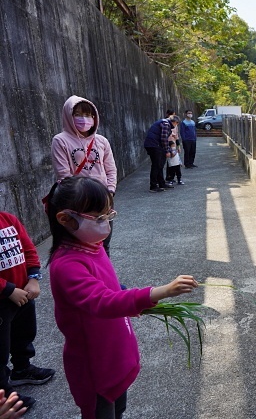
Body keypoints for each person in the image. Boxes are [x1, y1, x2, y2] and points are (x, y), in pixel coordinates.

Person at [44, 176, 199, 419]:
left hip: (112, 351)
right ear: (65, 219)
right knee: (102, 412)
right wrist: (161, 291)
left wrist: (130, 296)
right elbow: (103, 301)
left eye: (108, 215)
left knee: (119, 409)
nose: (106, 224)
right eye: (98, 218)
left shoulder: (92, 246)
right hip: (95, 365)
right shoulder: (66, 266)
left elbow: (112, 288)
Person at [0, 211, 56, 412]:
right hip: (5, 297)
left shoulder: (7, 218)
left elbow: (28, 248)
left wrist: (33, 278)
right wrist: (7, 290)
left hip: (22, 290)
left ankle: (22, 368)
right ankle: (5, 396)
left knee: (23, 333)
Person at [51, 95, 118, 256]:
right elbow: (64, 175)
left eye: (88, 115)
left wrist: (110, 191)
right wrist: (79, 200)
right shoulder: (61, 140)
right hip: (78, 203)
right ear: (68, 116)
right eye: (78, 114)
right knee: (79, 244)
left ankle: (103, 276)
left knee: (103, 242)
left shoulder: (101, 141)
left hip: (103, 199)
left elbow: (111, 169)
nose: (84, 119)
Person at [144, 115, 179, 193]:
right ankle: (153, 186)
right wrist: (167, 151)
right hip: (154, 145)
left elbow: (164, 139)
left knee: (159, 165)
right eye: (176, 123)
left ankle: (161, 184)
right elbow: (163, 138)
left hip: (154, 145)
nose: (176, 125)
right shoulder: (166, 124)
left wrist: (168, 150)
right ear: (174, 122)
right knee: (156, 165)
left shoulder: (164, 122)